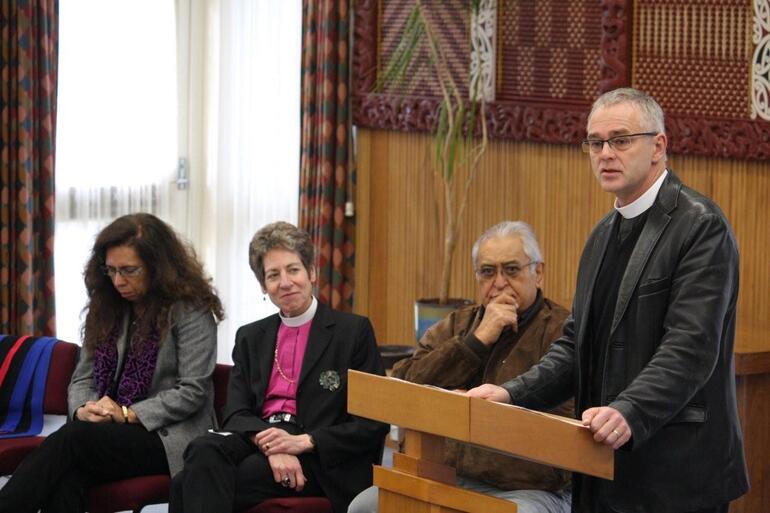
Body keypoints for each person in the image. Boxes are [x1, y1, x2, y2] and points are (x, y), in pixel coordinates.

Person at [467, 88, 749, 513]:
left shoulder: (700, 226)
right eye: (595, 143)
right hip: (602, 465)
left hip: (675, 469)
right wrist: (510, 395)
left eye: (620, 140)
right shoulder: (602, 234)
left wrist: (629, 410)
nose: (605, 153)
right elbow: (575, 348)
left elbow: (690, 349)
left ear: (658, 146)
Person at [0, 213, 224, 513]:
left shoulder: (191, 309)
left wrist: (125, 413)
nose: (119, 281)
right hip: (106, 433)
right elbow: (83, 379)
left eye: (130, 270)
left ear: (159, 268)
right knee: (67, 476)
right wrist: (84, 409)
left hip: (167, 437)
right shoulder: (107, 306)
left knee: (72, 439)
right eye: (111, 270)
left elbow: (192, 391)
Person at [349, 221, 573, 513]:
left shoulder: (562, 330)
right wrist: (477, 341)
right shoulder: (458, 324)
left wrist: (468, 411)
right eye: (488, 272)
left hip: (528, 487)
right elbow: (403, 383)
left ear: (538, 272)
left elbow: (565, 419)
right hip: (445, 476)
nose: (500, 282)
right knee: (363, 507)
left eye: (512, 270)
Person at [170, 221, 389, 513]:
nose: (285, 282)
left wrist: (301, 443)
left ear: (311, 272)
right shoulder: (250, 336)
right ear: (263, 285)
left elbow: (373, 424)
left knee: (185, 484)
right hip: (259, 438)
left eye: (293, 270)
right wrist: (272, 446)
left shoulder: (352, 332)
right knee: (203, 448)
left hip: (318, 455)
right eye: (273, 275)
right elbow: (235, 412)